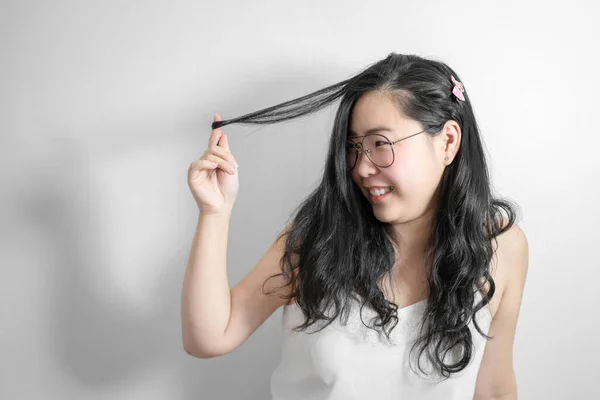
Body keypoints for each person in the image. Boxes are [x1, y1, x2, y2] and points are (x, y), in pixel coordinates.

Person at [182, 53, 529, 399]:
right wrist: (215, 212)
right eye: (353, 147)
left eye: (381, 144)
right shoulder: (318, 238)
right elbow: (210, 337)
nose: (361, 168)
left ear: (448, 142)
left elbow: (495, 387)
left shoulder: (502, 247)